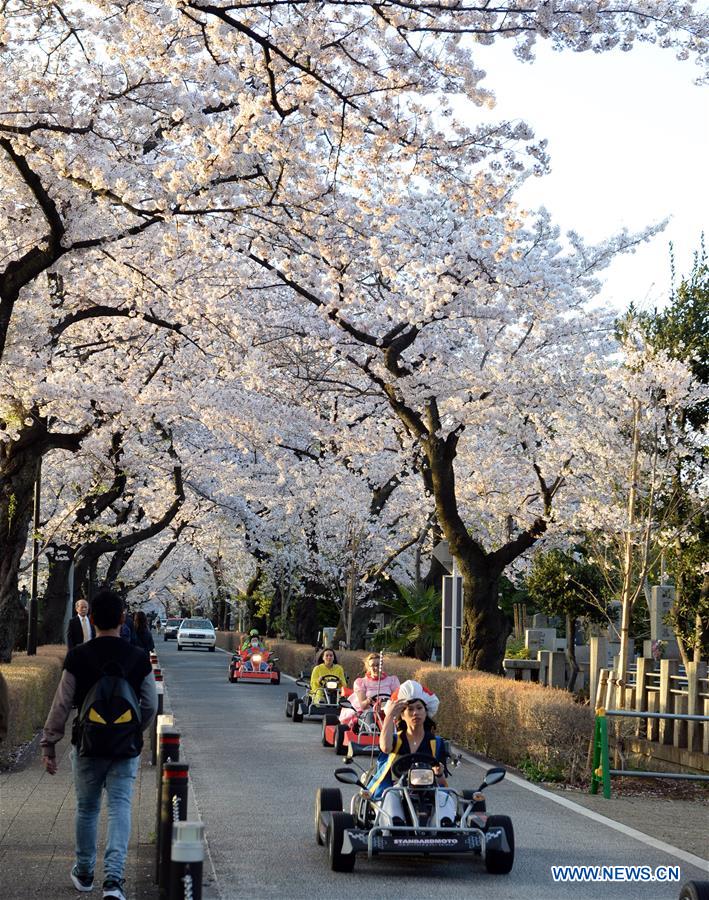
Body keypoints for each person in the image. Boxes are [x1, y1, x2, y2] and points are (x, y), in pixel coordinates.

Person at [41, 589, 158, 900]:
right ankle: (115, 881)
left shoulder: (79, 656)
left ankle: (84, 872)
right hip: (125, 748)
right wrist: (134, 730)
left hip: (88, 743)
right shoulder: (137, 657)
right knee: (120, 806)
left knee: (87, 808)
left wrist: (49, 743)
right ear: (122, 619)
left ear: (91, 618)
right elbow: (150, 704)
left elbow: (62, 703)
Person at [366, 680, 456, 828]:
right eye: (410, 709)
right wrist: (389, 716)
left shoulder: (436, 742)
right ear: (402, 715)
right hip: (398, 787)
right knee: (390, 795)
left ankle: (444, 826)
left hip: (428, 789)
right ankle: (395, 825)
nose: (415, 713)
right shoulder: (396, 739)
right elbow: (385, 747)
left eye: (419, 708)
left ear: (426, 712)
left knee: (444, 797)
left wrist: (438, 773)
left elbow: (442, 783)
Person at [340, 652, 399, 725]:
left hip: (387, 711)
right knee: (370, 714)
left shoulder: (392, 680)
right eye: (373, 666)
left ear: (382, 666)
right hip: (369, 712)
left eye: (378, 665)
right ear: (368, 667)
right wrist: (368, 701)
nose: (376, 668)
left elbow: (396, 699)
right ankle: (371, 732)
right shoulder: (361, 682)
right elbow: (363, 705)